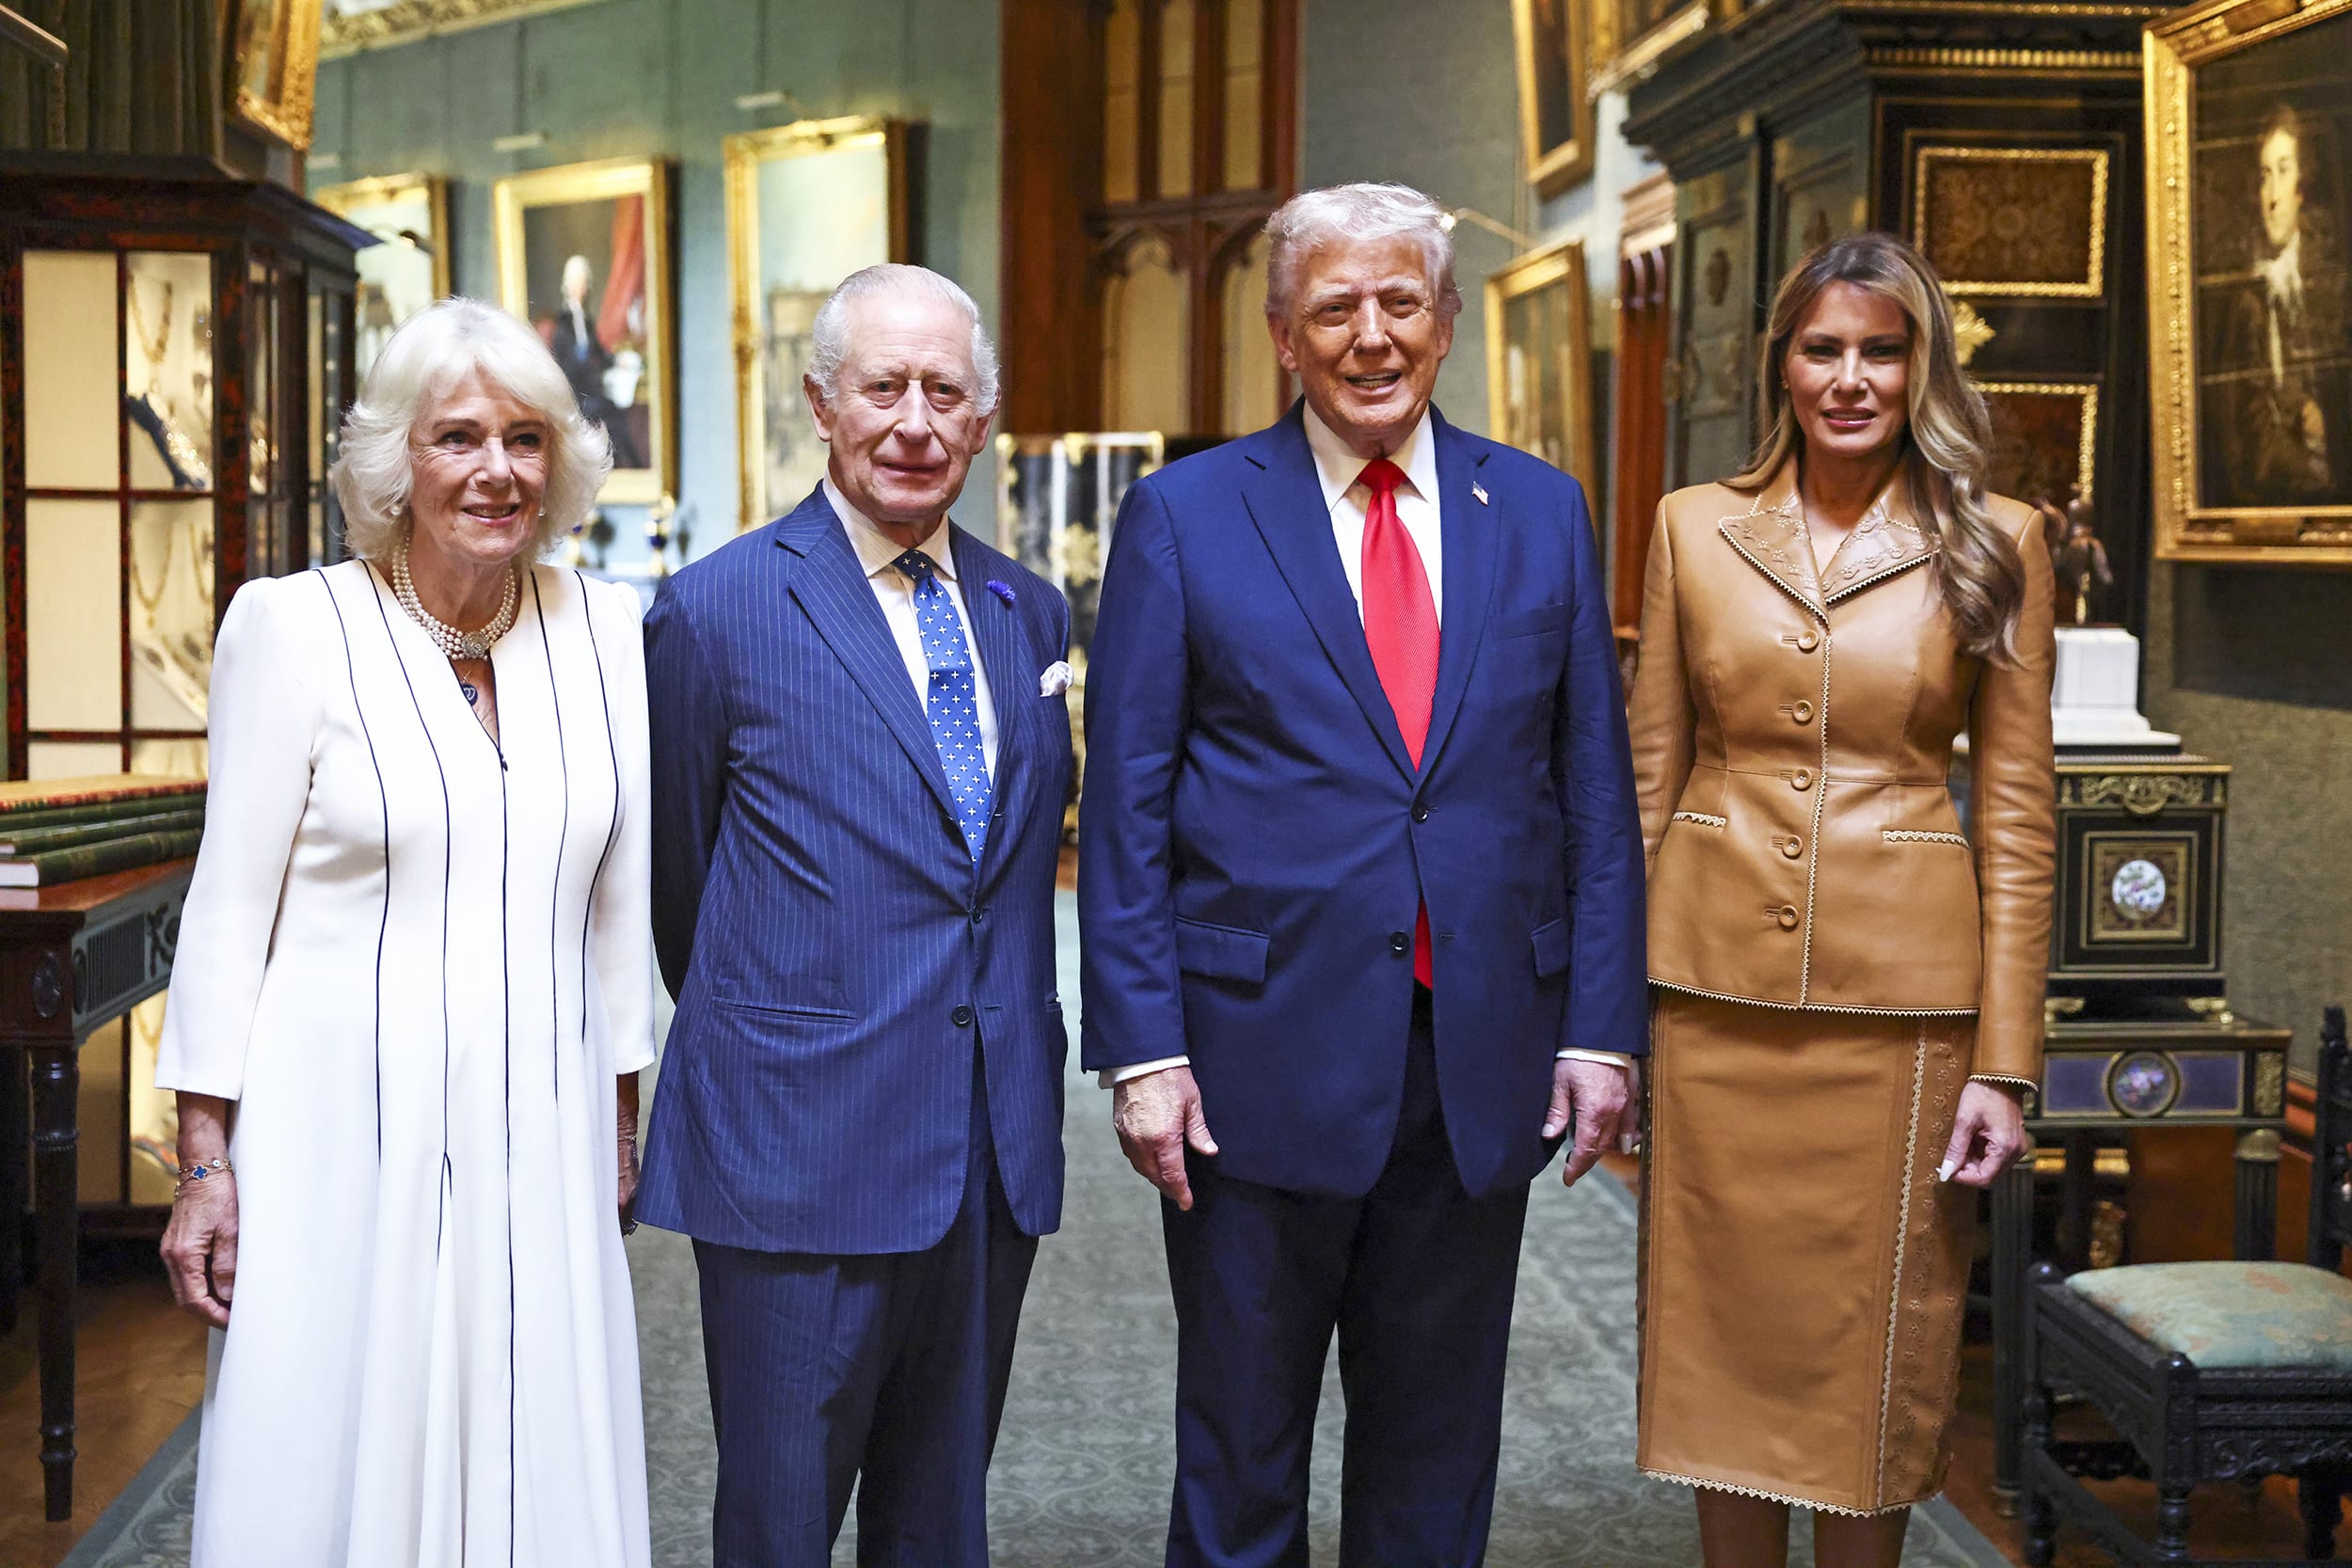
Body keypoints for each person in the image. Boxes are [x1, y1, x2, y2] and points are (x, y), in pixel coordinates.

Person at [1079, 182, 1646, 1567]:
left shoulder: (1544, 510)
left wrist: (1597, 1026)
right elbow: (1126, 801)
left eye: (1402, 301)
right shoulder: (1186, 515)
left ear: (1447, 321)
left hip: (1477, 1062)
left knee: (1437, 1460)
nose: (1372, 334)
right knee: (1241, 1451)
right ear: (1283, 333)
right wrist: (1142, 1046)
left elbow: (1592, 790)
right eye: (1336, 305)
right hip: (1249, 1063)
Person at [155, 297, 653, 1566]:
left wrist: (620, 1115)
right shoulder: (293, 627)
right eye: (458, 438)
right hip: (339, 1136)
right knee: (328, 1444)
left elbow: (615, 901)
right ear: (396, 463)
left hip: (541, 1131)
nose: (497, 470)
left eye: (526, 439)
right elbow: (226, 907)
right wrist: (205, 1161)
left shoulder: (606, 632)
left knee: (536, 1434)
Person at [1626, 231, 2055, 1566]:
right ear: (1784, 363)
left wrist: (2007, 1063)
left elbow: (2026, 817)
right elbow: (1653, 769)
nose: (1851, 377)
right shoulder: (1693, 523)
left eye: (1883, 349)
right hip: (1709, 995)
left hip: (1902, 1014)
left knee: (1874, 1355)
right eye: (1824, 348)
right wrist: (1611, 1013)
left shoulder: (2000, 541)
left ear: (1922, 366)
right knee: (1719, 1351)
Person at [637, 263, 1073, 1567]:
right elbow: (682, 882)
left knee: (940, 1522)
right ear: (823, 403)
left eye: (947, 391)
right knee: (779, 1524)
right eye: (884, 386)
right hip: (796, 1146)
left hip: (988, 1147)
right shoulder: (714, 610)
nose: (915, 420)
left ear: (984, 419)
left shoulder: (1025, 608)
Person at [2217, 104, 2346, 504]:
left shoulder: (2334, 286)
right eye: (2264, 176)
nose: (2272, 197)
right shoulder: (2244, 301)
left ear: (2303, 186)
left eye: (2284, 171)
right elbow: (2240, 427)